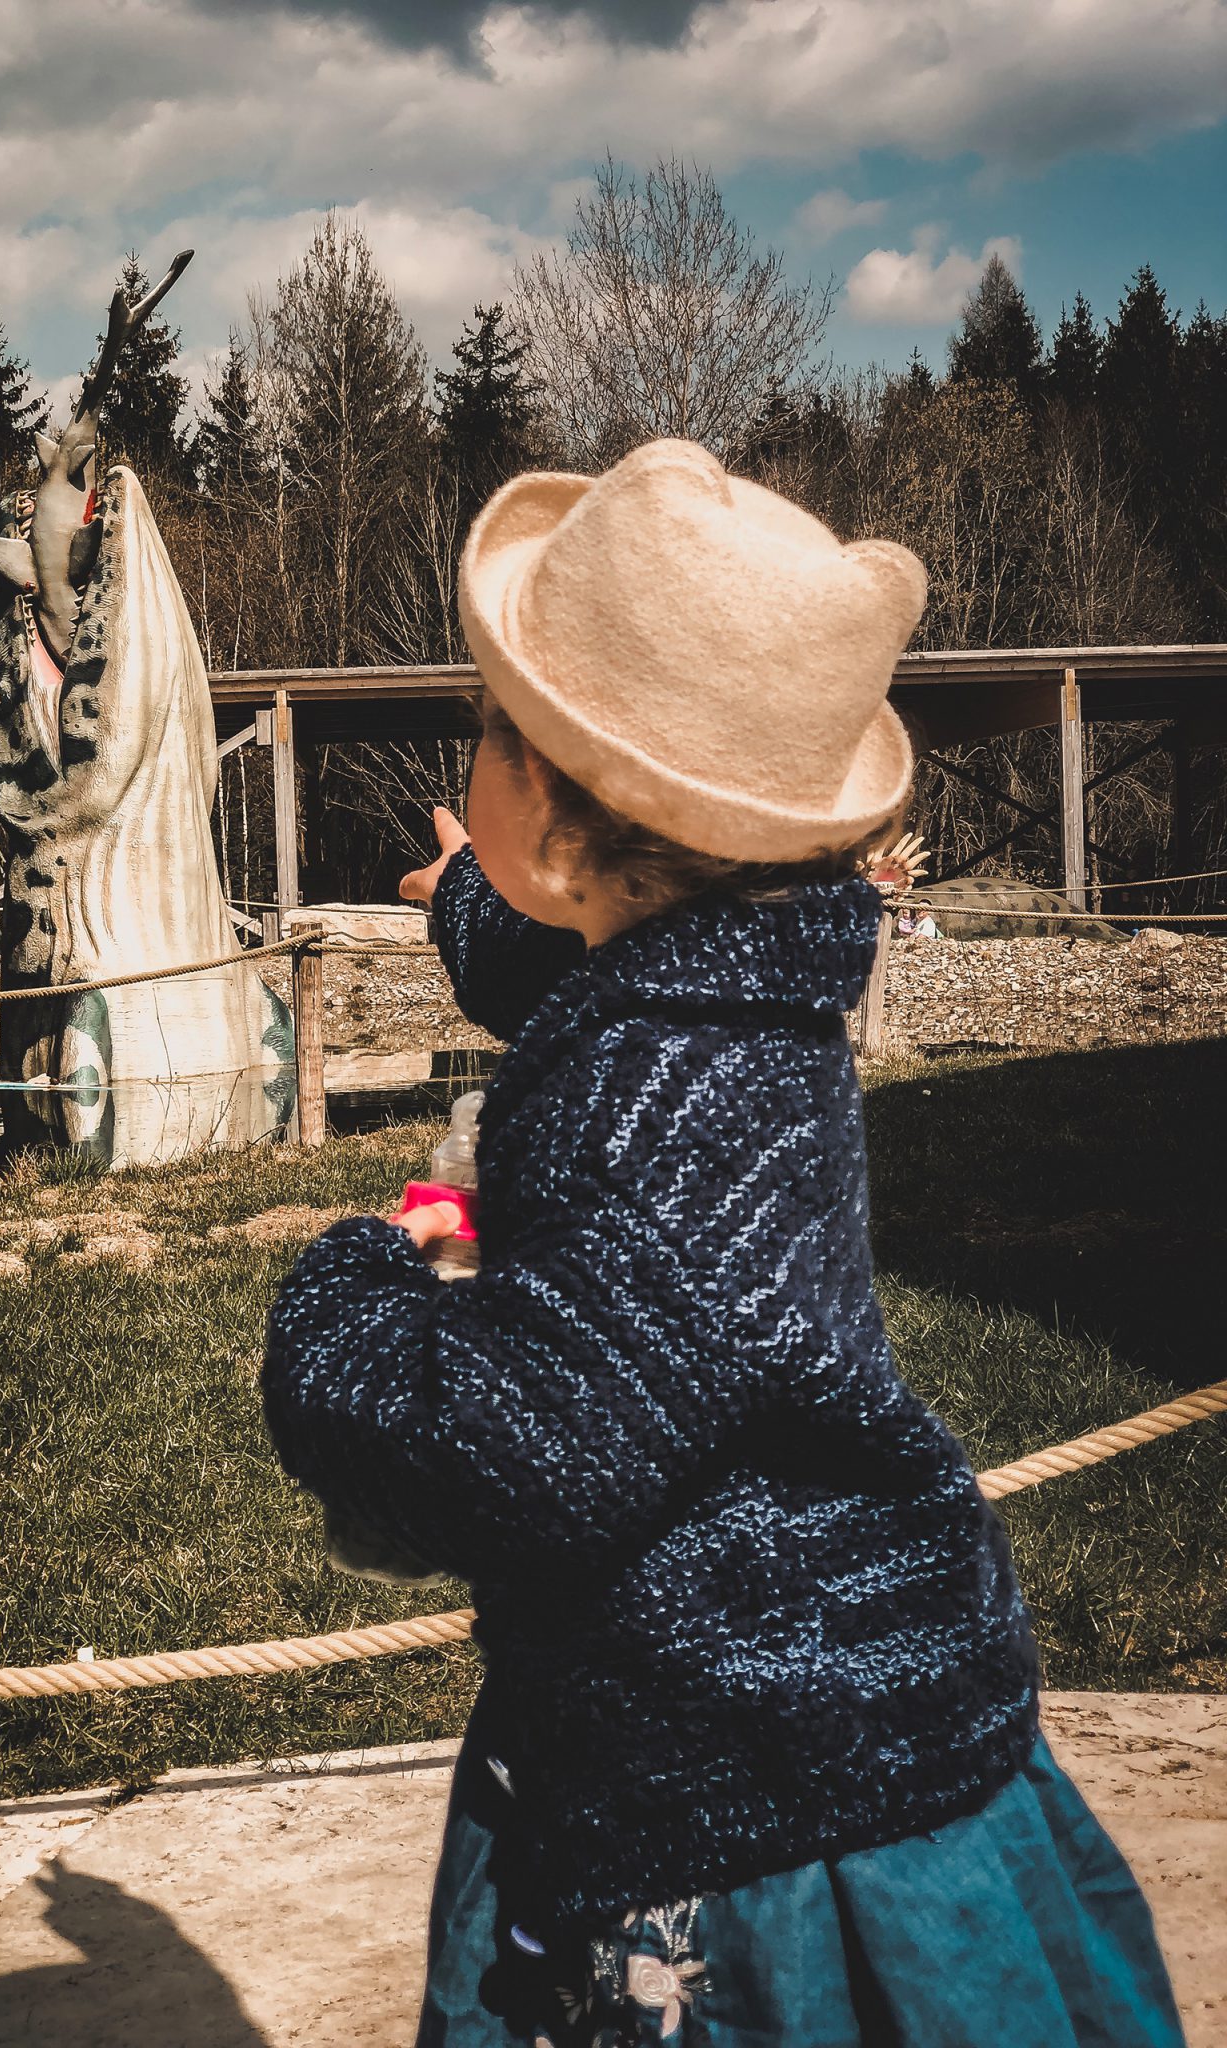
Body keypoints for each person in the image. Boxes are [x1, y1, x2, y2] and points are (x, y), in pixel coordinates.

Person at [259, 442, 1182, 2048]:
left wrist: (351, 1292)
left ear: (555, 827)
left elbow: (512, 1450)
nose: (468, 752)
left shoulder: (659, 1100)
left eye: (490, 732)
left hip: (760, 1798)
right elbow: (557, 952)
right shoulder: (724, 982)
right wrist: (464, 899)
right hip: (818, 1715)